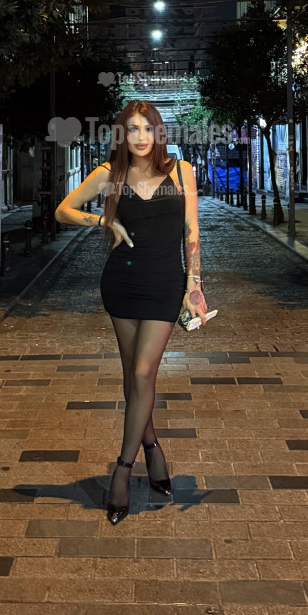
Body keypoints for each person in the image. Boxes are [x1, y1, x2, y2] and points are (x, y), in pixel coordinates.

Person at [54, 100, 207, 525]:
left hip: (165, 286)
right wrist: (103, 222)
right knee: (132, 377)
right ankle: (153, 450)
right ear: (122, 134)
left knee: (142, 374)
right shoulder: (110, 174)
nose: (141, 137)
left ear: (159, 132)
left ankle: (123, 469)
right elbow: (63, 210)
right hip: (121, 284)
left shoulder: (182, 172)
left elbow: (192, 230)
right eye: (132, 129)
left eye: (148, 128)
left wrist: (194, 286)